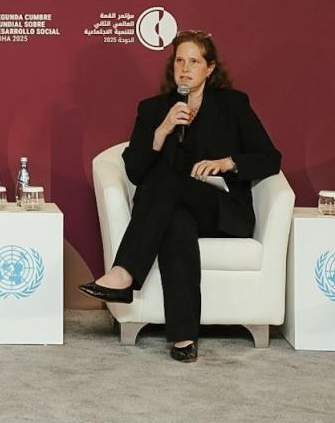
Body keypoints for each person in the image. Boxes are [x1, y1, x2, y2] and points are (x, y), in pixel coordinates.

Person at [78, 30, 281, 362]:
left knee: (169, 182)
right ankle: (184, 337)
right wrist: (161, 131)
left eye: (194, 61)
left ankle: (124, 272)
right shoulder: (153, 109)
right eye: (180, 60)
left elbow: (270, 158)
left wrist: (227, 163)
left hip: (220, 211)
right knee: (176, 222)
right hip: (172, 211)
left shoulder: (233, 105)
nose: (185, 68)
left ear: (210, 68)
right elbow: (134, 171)